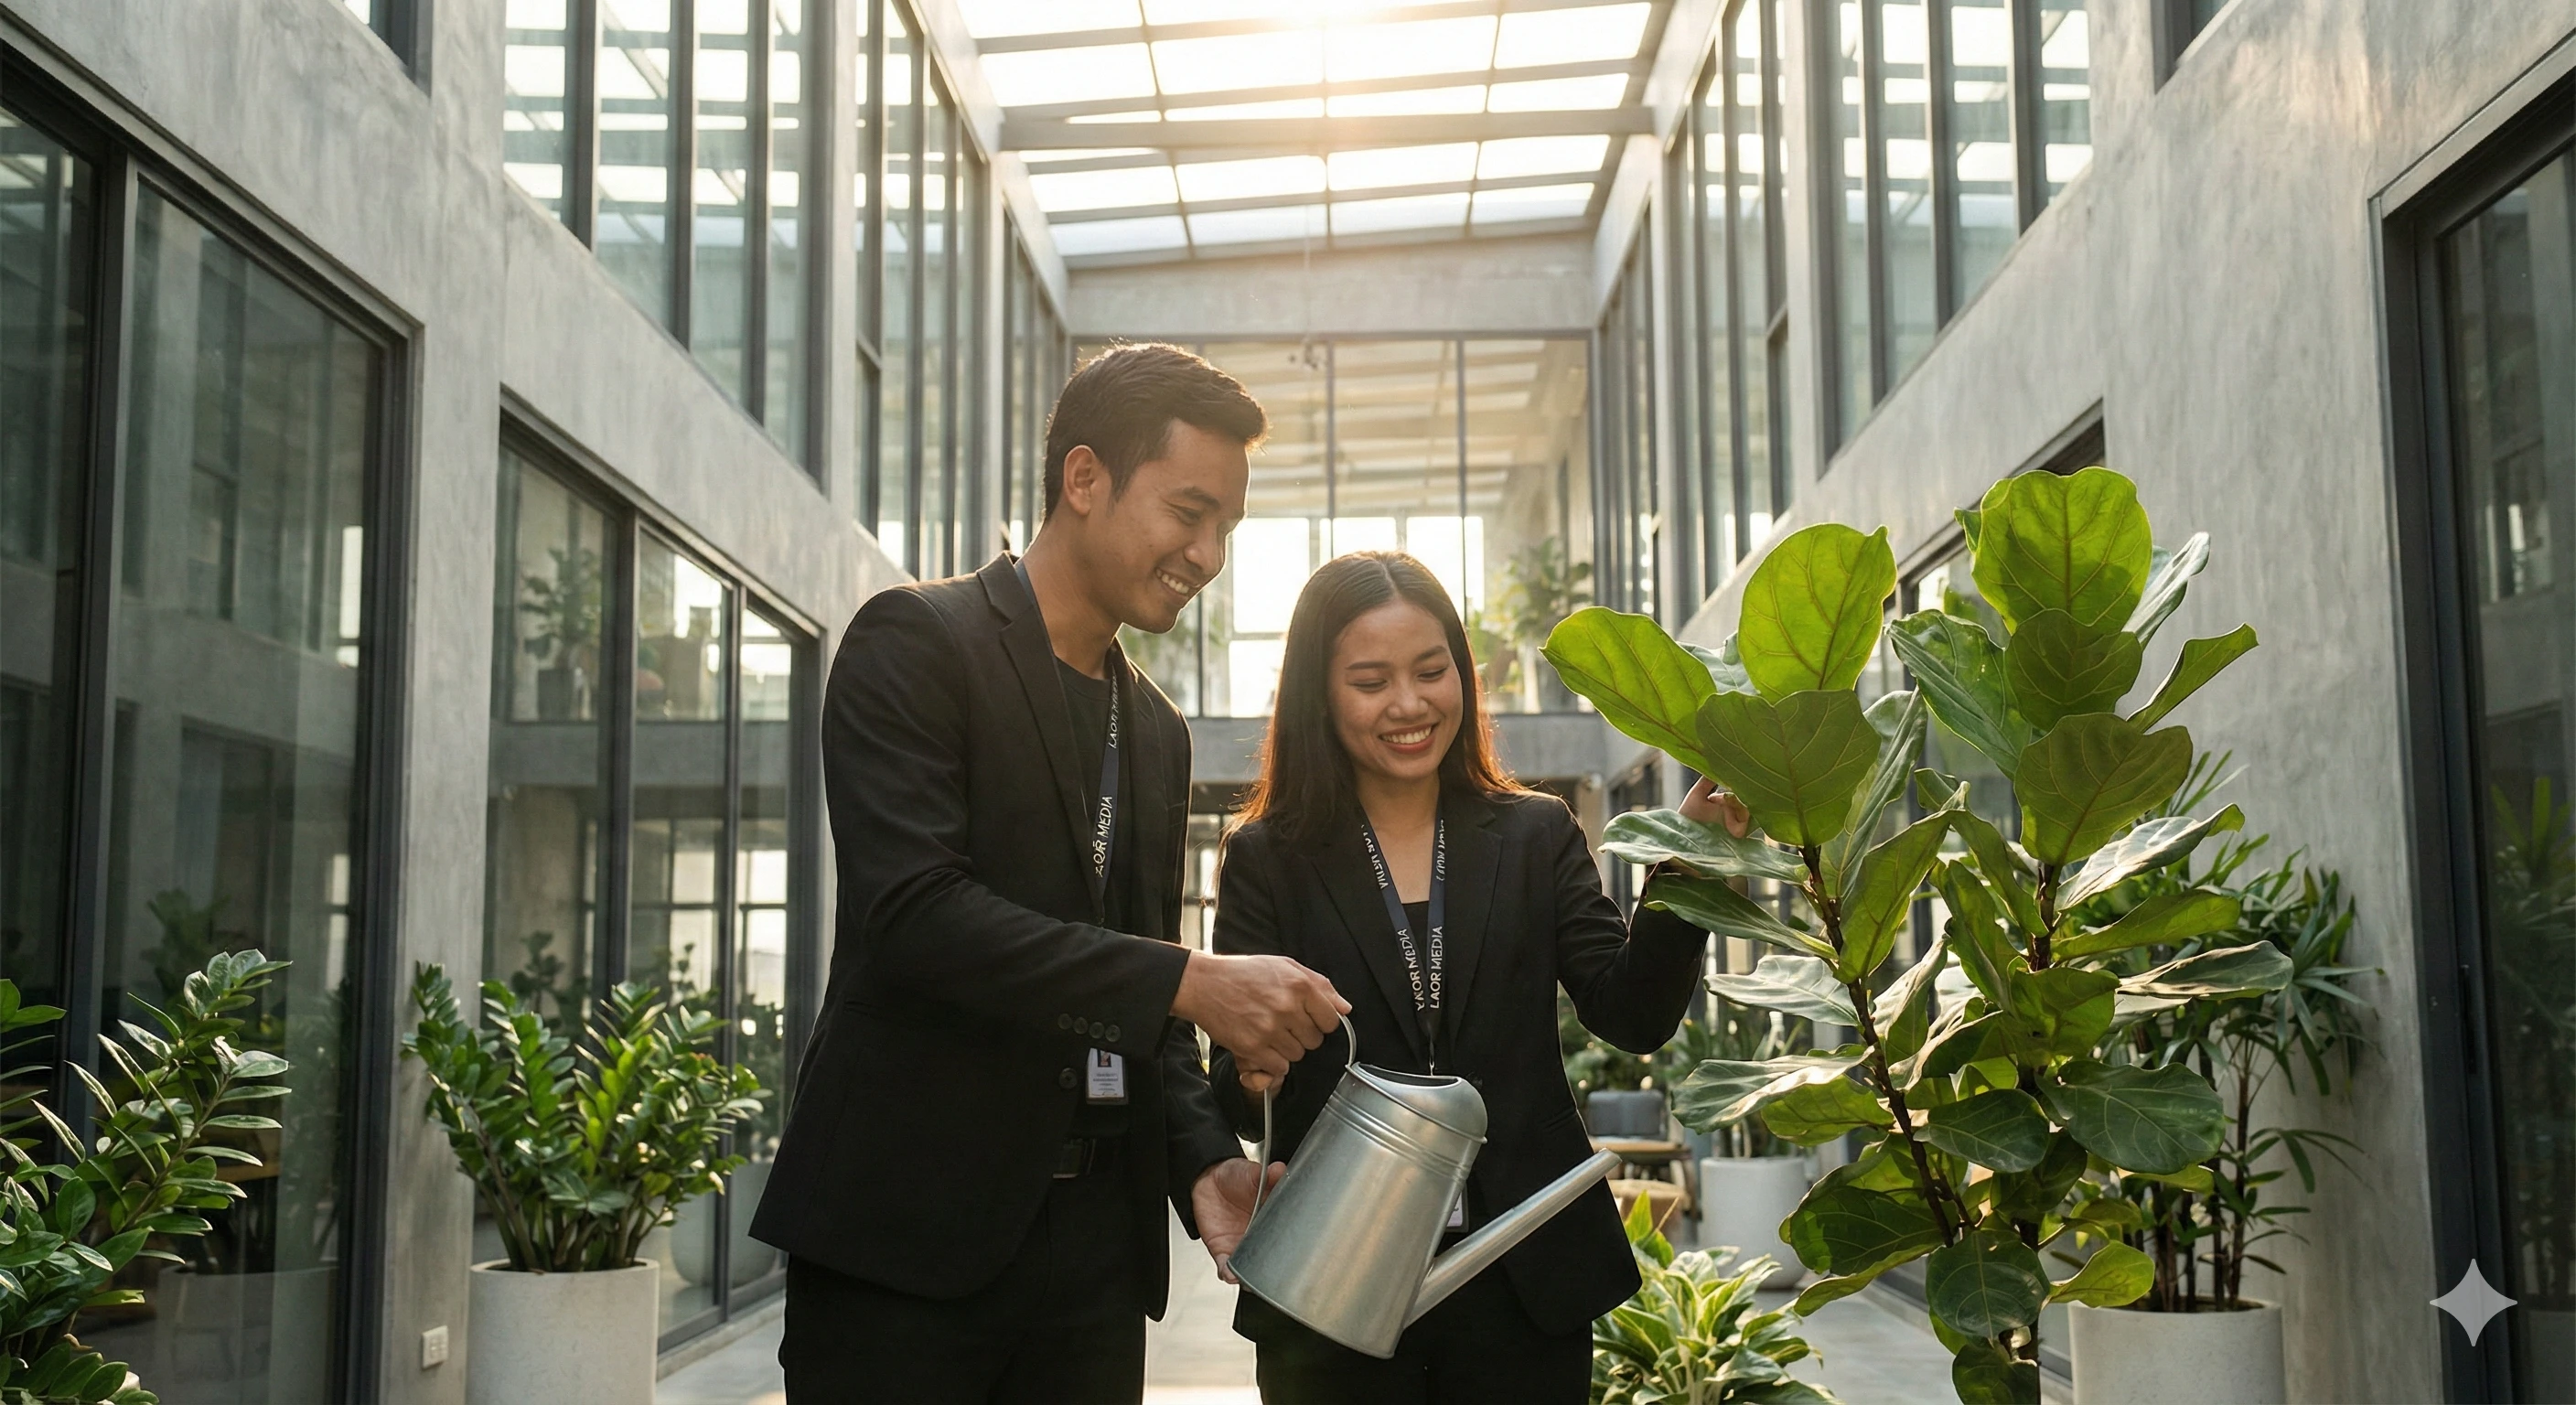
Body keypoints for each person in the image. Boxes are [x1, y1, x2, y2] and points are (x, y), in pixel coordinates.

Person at [752, 344, 1349, 1404]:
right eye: (1188, 513)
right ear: (1083, 478)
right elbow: (916, 918)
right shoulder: (916, 642)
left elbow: (1143, 1007)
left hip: (1092, 1269)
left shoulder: (1155, 731)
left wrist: (1203, 1160)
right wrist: (1188, 979)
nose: (1207, 555)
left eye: (1226, 528)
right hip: (904, 1249)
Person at [1208, 552, 1737, 1405]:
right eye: (1371, 681)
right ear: (1319, 694)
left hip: (1522, 1267)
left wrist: (1689, 864)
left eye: (1431, 671)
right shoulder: (1268, 859)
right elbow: (1236, 1094)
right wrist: (1255, 1069)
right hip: (1334, 1276)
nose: (1409, 704)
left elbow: (1632, 1014)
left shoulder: (1535, 834)